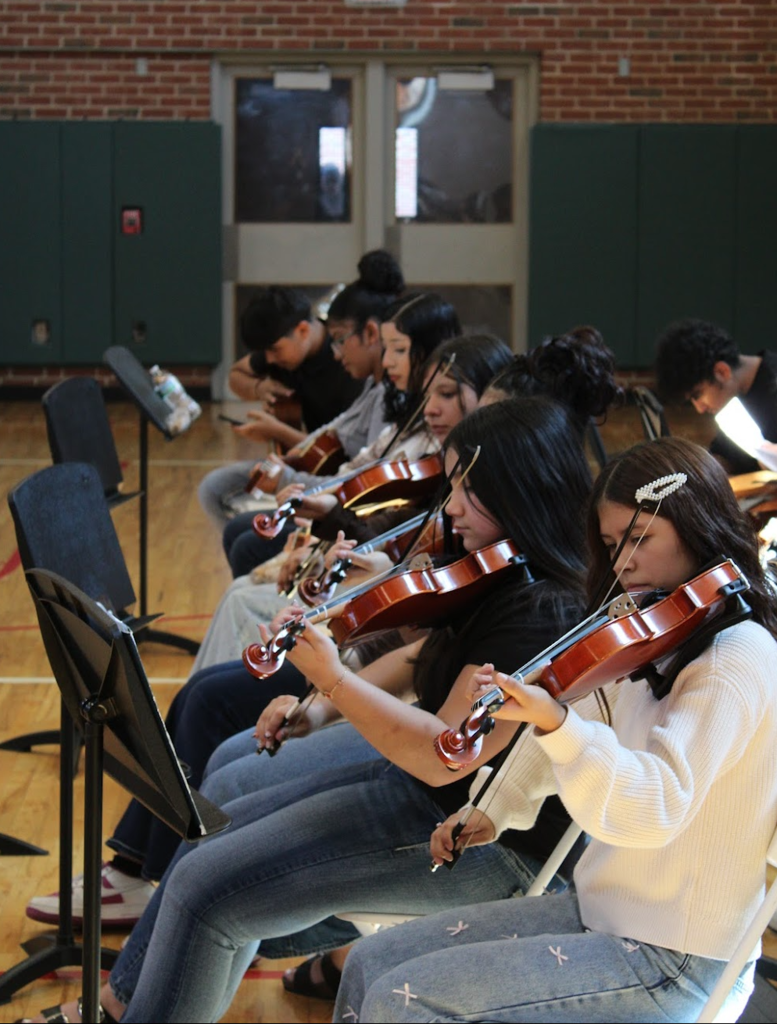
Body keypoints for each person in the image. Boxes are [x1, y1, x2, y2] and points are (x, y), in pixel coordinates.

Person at [24, 396, 599, 1024]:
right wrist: (319, 709)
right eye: (454, 483)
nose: (452, 505)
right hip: (421, 793)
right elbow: (424, 658)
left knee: (207, 892)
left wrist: (334, 679)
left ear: (524, 493)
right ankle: (118, 1005)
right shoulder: (501, 567)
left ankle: (124, 1007)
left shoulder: (546, 612)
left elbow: (445, 757)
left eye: (470, 489)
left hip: (481, 843)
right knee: (213, 832)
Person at [23, 331, 506, 931]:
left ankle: (150, 873)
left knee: (209, 700)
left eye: (449, 393)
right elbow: (408, 579)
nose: (429, 404)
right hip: (361, 657)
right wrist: (337, 586)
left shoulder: (483, 520)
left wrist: (338, 656)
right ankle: (139, 863)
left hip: (380, 697)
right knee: (207, 691)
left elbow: (422, 646)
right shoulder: (454, 490)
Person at [333, 435, 777, 1024]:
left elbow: (653, 807)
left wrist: (554, 720)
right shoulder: (660, 632)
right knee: (371, 962)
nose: (621, 563)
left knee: (403, 1001)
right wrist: (497, 806)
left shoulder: (732, 659)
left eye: (640, 539)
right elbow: (587, 718)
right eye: (612, 545)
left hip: (675, 956)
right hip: (600, 912)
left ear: (698, 526)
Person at [190, 332, 513, 672]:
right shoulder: (430, 447)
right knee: (239, 587)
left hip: (376, 637)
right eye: (427, 394)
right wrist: (329, 528)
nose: (430, 408)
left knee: (237, 609)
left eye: (399, 349)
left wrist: (338, 676)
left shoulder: (464, 481)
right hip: (373, 609)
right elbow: (387, 525)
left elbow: (421, 620)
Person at [221, 290, 461, 577]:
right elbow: (353, 465)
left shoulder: (433, 436)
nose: (386, 361)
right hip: (347, 522)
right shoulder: (397, 405)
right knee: (235, 530)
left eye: (398, 349)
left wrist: (317, 508)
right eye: (387, 349)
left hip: (357, 533)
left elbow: (377, 510)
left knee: (243, 551)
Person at [197, 275, 371, 526]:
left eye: (274, 350)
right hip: (295, 462)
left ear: (302, 330)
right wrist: (259, 388)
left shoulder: (348, 366)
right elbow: (236, 375)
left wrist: (275, 430)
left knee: (239, 518)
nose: (268, 359)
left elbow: (339, 456)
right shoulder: (284, 350)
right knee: (213, 489)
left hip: (330, 475)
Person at [654, 317, 777, 474]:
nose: (700, 409)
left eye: (697, 395)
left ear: (722, 371)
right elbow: (725, 457)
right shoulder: (733, 401)